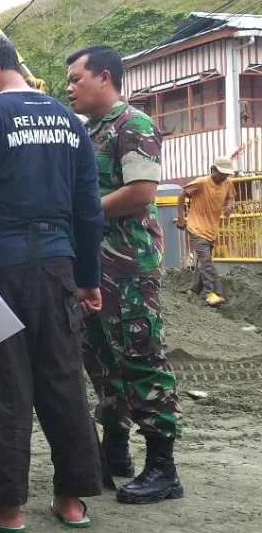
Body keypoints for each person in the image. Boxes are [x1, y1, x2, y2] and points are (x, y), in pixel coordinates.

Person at [0, 31, 104, 531]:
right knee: (63, 380)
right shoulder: (70, 122)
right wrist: (88, 278)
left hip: (0, 269)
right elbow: (88, 208)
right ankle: (72, 501)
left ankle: (3, 508)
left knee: (2, 386)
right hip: (58, 267)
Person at [67, 45, 185, 505]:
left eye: (77, 78)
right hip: (93, 265)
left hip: (127, 266)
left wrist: (84, 211)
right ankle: (115, 452)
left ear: (105, 77)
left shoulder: (131, 124)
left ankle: (163, 467)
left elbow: (140, 192)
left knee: (140, 358)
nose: (71, 87)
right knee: (99, 360)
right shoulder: (86, 131)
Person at [177, 156, 236, 306]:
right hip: (196, 227)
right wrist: (181, 218)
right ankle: (213, 293)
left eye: (227, 174)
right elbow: (182, 194)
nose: (224, 177)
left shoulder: (227, 183)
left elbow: (230, 198)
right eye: (222, 173)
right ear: (213, 170)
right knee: (206, 260)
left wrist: (229, 206)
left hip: (211, 229)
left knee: (202, 261)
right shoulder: (202, 183)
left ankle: (194, 289)